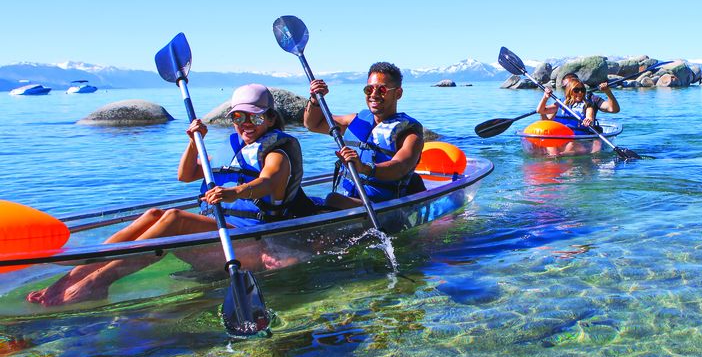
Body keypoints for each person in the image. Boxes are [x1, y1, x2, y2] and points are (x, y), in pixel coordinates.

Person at [27, 84, 305, 306]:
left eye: (255, 117)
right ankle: (76, 275)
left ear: (269, 118)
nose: (246, 124)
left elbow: (268, 181)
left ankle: (98, 283)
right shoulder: (233, 148)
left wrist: (234, 192)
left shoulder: (277, 153)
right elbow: (185, 175)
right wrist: (193, 143)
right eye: (238, 116)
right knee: (154, 215)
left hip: (252, 243)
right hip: (223, 234)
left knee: (174, 218)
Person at [304, 62, 424, 209]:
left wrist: (364, 168)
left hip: (381, 206)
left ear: (397, 93)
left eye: (382, 90)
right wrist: (315, 101)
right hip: (351, 198)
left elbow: (400, 167)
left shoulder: (410, 134)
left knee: (333, 200)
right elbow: (313, 124)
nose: (374, 95)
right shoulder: (356, 120)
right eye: (369, 89)